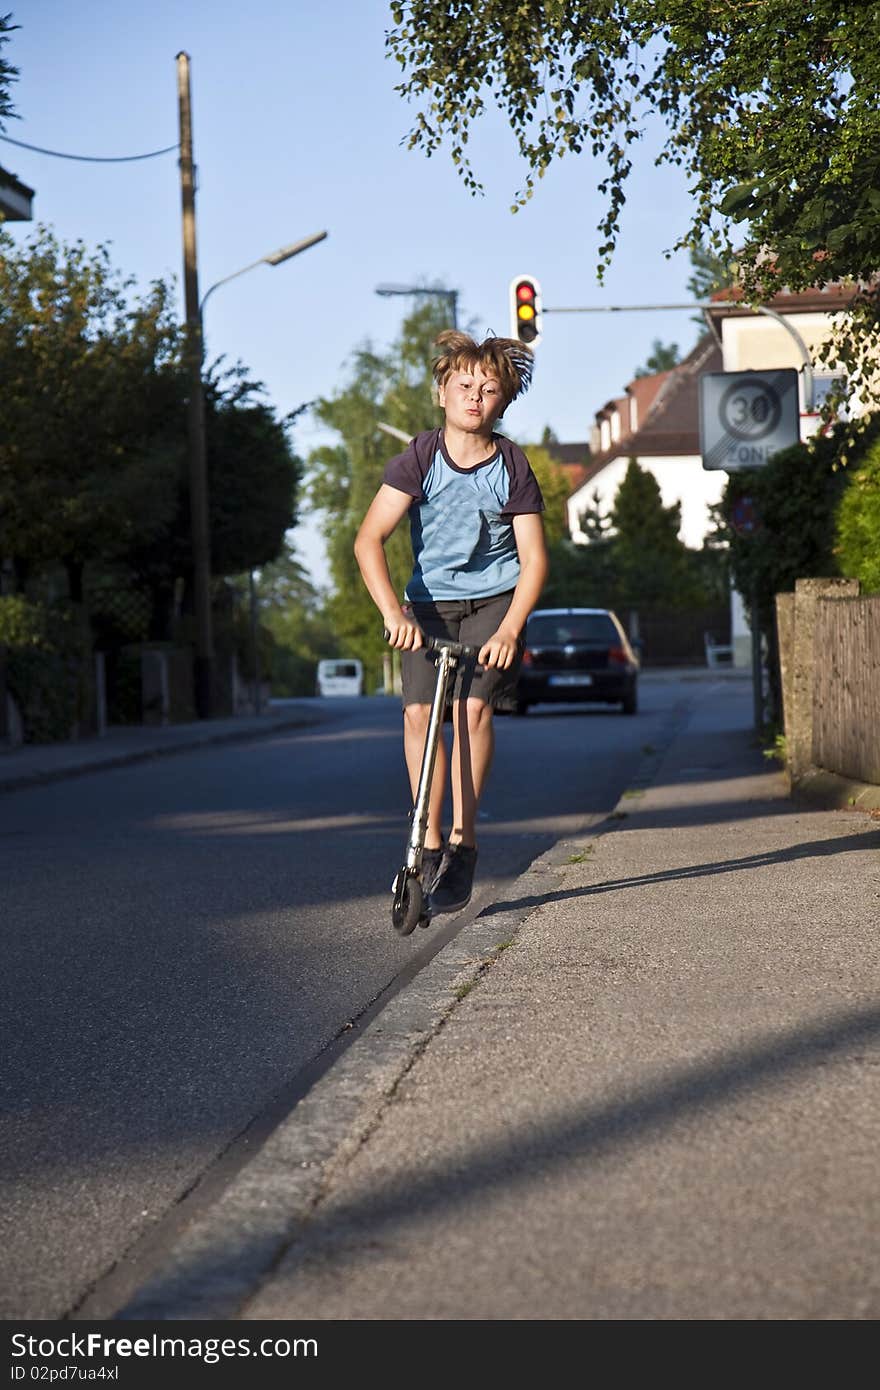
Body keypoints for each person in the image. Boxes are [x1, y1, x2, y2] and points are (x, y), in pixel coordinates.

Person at [354, 330, 549, 915]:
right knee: (419, 715)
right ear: (442, 391)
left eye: (488, 390)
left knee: (471, 711)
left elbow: (534, 559)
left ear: (503, 403)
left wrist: (511, 628)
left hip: (494, 603)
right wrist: (394, 613)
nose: (475, 398)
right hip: (429, 607)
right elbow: (370, 541)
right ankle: (430, 842)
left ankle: (464, 844)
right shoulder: (418, 458)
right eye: (464, 386)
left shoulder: (511, 464)